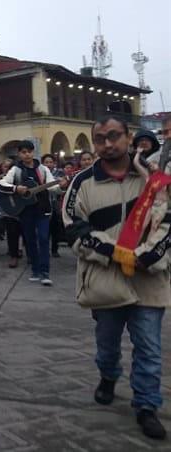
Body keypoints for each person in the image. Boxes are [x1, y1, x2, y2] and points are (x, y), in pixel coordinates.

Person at [63, 115, 171, 441]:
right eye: (100, 139)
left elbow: (167, 219)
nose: (108, 144)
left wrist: (148, 255)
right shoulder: (82, 182)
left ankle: (147, 404)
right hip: (104, 280)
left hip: (148, 279)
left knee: (149, 348)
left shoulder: (154, 178)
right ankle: (108, 376)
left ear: (129, 138)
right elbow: (73, 227)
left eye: (114, 136)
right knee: (107, 345)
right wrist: (115, 252)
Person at [0, 141, 66, 286]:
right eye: (23, 152)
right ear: (19, 154)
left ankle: (45, 272)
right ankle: (35, 270)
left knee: (43, 238)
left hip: (43, 210)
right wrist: (16, 189)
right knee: (30, 241)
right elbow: (2, 184)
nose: (27, 154)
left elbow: (52, 187)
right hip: (25, 211)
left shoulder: (42, 169)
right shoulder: (16, 170)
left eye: (29, 151)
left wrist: (60, 186)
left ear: (33, 152)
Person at [0, 159, 21, 268]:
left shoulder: (19, 178)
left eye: (10, 167)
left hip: (21, 208)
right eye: (5, 166)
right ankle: (13, 255)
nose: (7, 169)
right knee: (12, 233)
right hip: (8, 211)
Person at [42, 154, 64, 258]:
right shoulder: (40, 174)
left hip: (55, 205)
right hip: (43, 205)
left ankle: (55, 249)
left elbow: (61, 189)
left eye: (50, 162)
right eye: (46, 162)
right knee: (44, 229)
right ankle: (44, 250)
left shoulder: (59, 173)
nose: (49, 164)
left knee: (55, 228)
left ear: (54, 163)